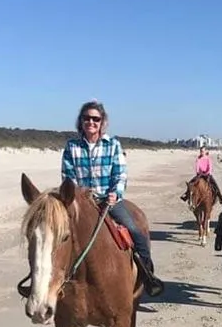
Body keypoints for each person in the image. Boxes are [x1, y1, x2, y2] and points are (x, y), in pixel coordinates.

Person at [60, 100, 163, 292]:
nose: (91, 122)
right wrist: (77, 197)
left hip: (108, 201)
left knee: (135, 231)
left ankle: (147, 276)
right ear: (80, 121)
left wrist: (115, 193)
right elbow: (68, 177)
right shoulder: (71, 146)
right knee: (53, 236)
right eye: (86, 118)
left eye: (95, 119)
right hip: (80, 203)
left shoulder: (113, 145)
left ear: (102, 122)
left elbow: (120, 174)